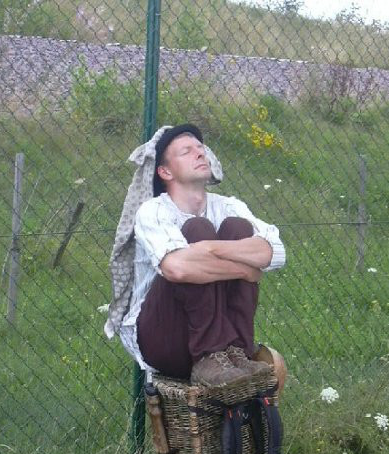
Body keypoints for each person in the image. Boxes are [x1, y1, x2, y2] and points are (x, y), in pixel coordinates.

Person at [110, 124, 286, 386]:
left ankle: (238, 352)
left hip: (229, 343)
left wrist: (210, 248)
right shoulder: (153, 210)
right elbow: (176, 268)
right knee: (197, 228)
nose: (200, 154)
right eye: (186, 151)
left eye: (200, 149)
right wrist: (245, 269)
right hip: (166, 339)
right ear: (165, 171)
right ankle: (208, 356)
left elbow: (275, 251)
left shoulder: (229, 206)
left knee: (238, 228)